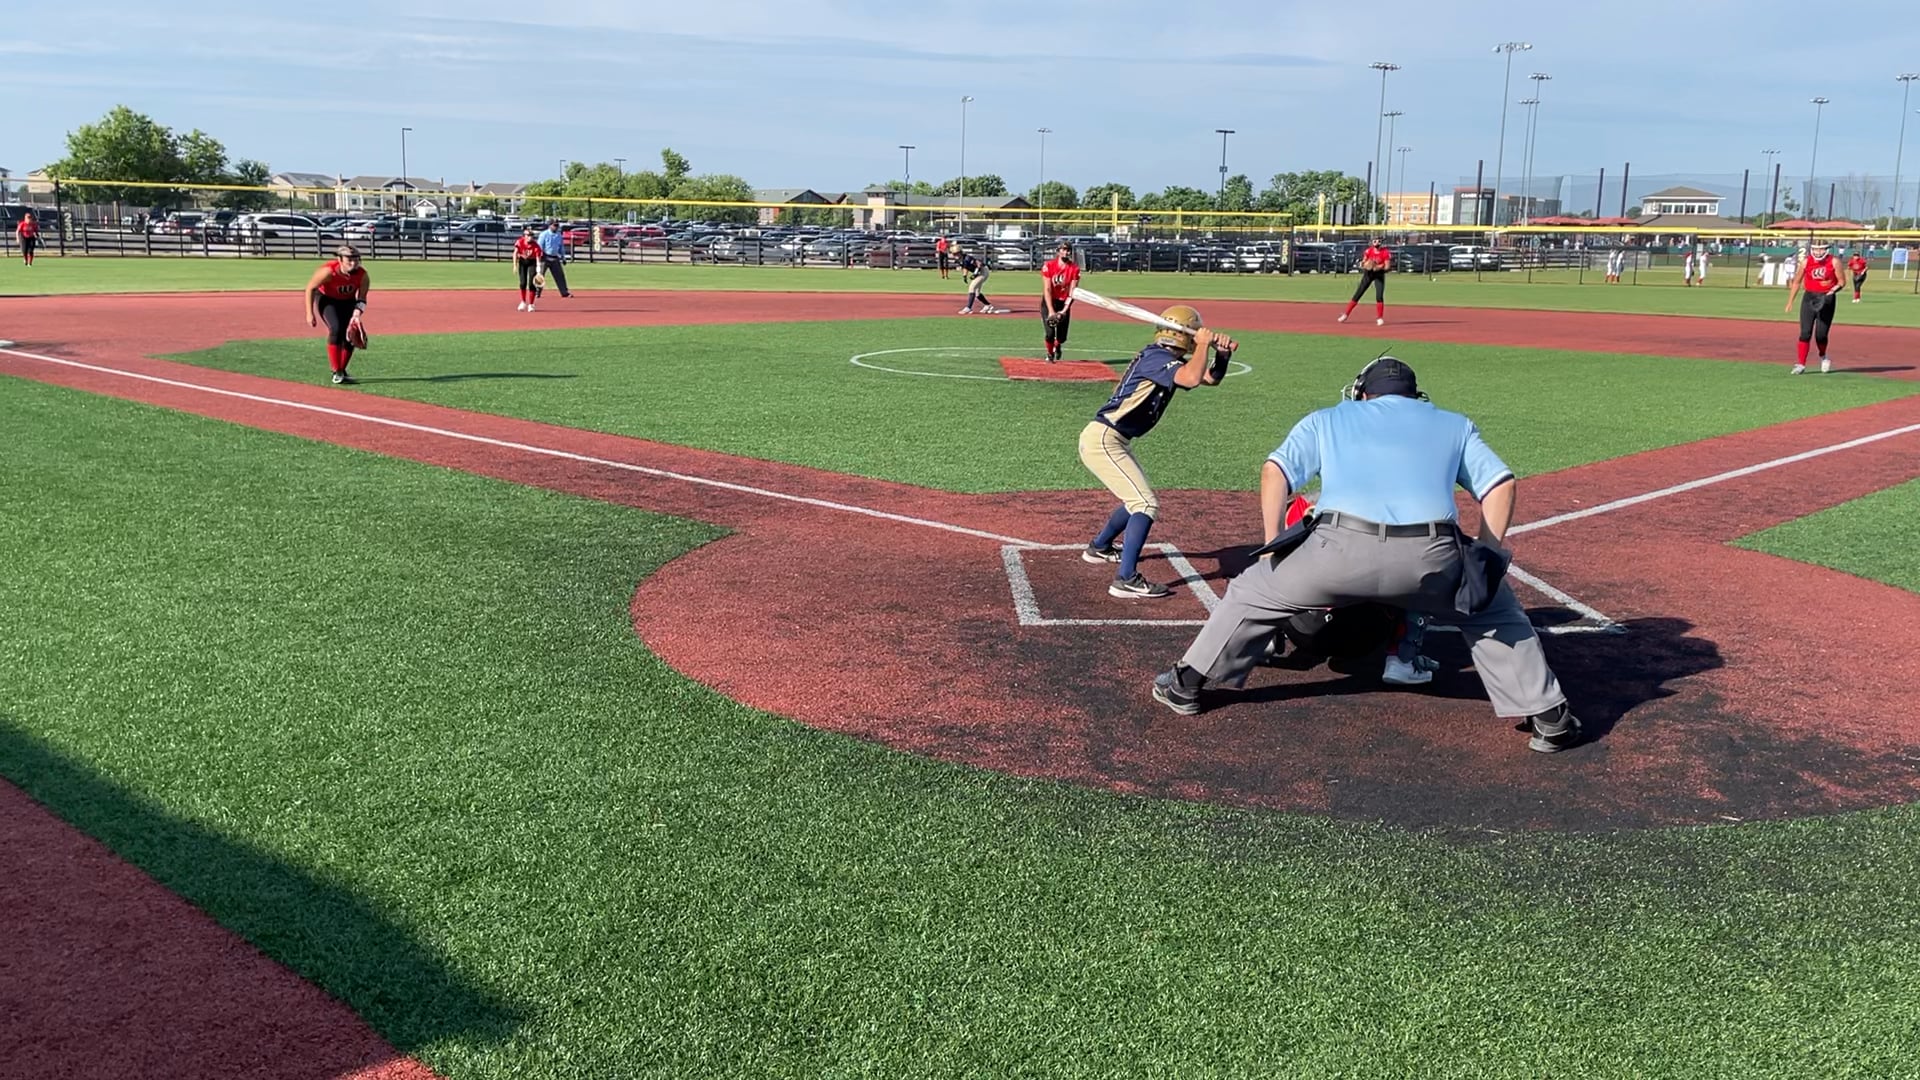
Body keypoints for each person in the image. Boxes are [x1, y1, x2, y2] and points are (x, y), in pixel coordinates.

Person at [1149, 355, 1581, 754]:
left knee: (1251, 592)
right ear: (1414, 395)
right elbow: (1501, 484)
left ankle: (1185, 684)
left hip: (1336, 549)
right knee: (1493, 610)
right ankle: (1549, 718)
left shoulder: (1328, 418)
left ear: (1363, 392)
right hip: (1430, 554)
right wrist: (1483, 557)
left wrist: (1270, 549)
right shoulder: (1454, 424)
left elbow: (1274, 472)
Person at [1079, 306, 1236, 598]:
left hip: (1114, 440)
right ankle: (1126, 579)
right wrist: (1204, 344)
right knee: (1145, 504)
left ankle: (1099, 547)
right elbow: (1191, 378)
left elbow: (1209, 378)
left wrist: (1222, 356)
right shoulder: (1155, 358)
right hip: (1104, 439)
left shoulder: (1166, 359)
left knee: (1136, 499)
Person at [302, 245, 370, 385]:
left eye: (356, 259)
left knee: (350, 333)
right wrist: (310, 313)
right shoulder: (328, 272)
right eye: (349, 259)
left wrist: (357, 313)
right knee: (336, 328)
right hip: (327, 300)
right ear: (340, 259)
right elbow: (310, 288)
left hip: (348, 302)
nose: (353, 263)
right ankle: (336, 370)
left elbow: (362, 298)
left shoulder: (363, 275)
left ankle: (341, 371)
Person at [1785, 239, 1841, 374]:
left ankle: (1823, 356)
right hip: (1809, 298)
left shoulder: (1834, 262)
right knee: (1805, 332)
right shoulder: (1806, 262)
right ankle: (1801, 364)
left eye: (1821, 249)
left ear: (1826, 249)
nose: (1818, 252)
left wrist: (1832, 290)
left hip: (1826, 299)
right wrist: (1790, 301)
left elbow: (1842, 282)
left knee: (1821, 335)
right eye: (1815, 249)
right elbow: (1797, 282)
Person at [1038, 242, 1080, 362]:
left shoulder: (1074, 268)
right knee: (1050, 332)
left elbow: (1073, 292)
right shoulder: (1049, 266)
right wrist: (1051, 311)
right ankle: (1050, 353)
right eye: (1064, 249)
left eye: (1068, 250)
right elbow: (1047, 289)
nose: (1066, 252)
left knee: (1061, 337)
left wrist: (1064, 311)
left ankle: (1057, 345)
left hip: (1063, 303)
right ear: (1058, 251)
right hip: (1049, 301)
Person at [1338, 238, 1391, 325]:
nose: (1377, 242)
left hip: (1379, 275)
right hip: (1368, 274)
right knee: (1358, 294)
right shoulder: (1368, 251)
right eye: (1375, 241)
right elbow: (1364, 262)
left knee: (1379, 296)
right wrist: (1365, 265)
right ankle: (1345, 314)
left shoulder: (1385, 252)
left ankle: (1379, 318)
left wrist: (1379, 267)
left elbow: (1387, 267)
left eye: (1379, 241)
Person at [957, 250, 1003, 314]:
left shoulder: (967, 258)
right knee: (977, 293)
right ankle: (988, 305)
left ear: (960, 253)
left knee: (972, 288)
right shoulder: (960, 260)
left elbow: (979, 264)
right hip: (979, 272)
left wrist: (975, 274)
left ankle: (968, 308)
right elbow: (965, 267)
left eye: (956, 253)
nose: (955, 255)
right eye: (954, 254)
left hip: (983, 271)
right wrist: (964, 276)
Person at [535, 219, 572, 298]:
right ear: (550, 225)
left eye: (557, 225)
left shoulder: (559, 235)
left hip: (555, 257)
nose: (556, 227)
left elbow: (561, 247)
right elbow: (539, 246)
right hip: (544, 257)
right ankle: (537, 292)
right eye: (555, 225)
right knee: (540, 275)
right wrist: (539, 257)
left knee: (560, 275)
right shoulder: (544, 234)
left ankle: (564, 292)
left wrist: (563, 257)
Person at [513, 224, 543, 311]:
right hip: (523, 262)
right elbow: (515, 253)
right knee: (523, 283)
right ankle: (523, 302)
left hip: (532, 262)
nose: (530, 237)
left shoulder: (536, 245)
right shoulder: (520, 242)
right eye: (528, 235)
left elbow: (538, 258)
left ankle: (531, 304)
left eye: (531, 235)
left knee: (531, 284)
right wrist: (515, 265)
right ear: (524, 236)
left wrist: (538, 269)